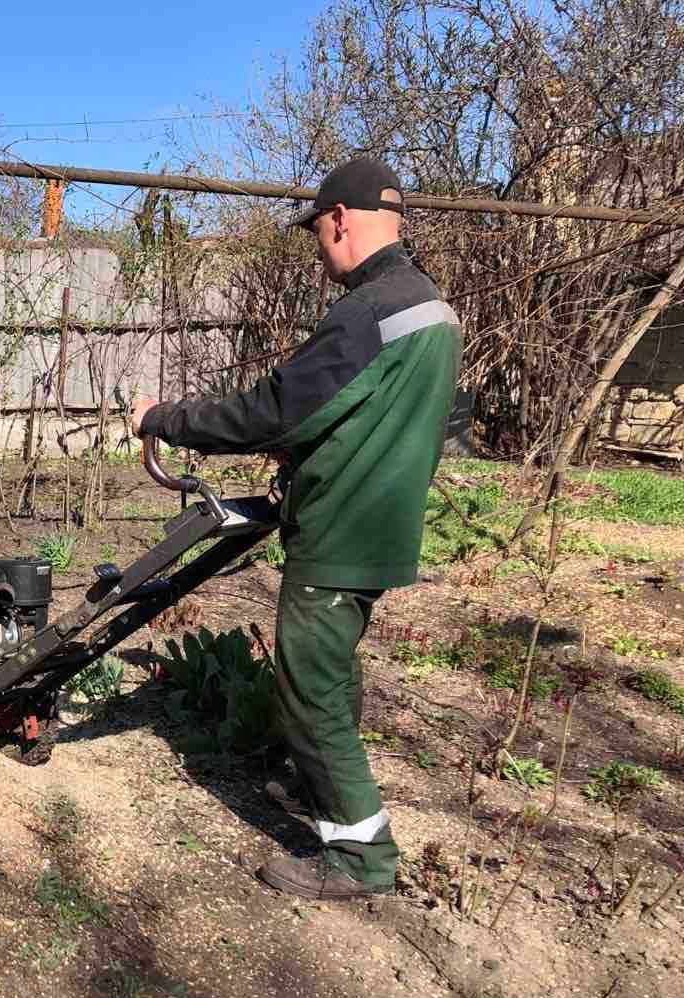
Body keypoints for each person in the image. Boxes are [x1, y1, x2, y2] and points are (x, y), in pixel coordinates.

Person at [130, 156, 461, 901]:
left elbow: (272, 409)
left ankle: (359, 858)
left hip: (340, 532)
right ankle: (320, 792)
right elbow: (381, 414)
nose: (319, 248)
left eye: (317, 231)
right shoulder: (430, 306)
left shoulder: (369, 310)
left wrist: (164, 419)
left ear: (340, 220)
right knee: (330, 679)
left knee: (309, 692)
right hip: (382, 525)